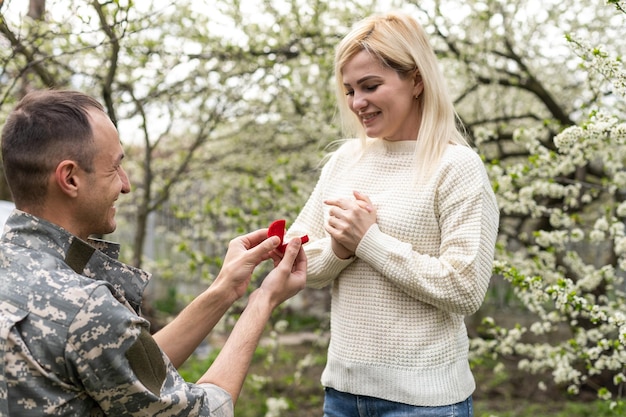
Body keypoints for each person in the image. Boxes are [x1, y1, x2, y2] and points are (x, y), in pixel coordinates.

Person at [0, 89, 307, 416]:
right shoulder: (83, 307)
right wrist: (263, 301)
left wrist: (225, 290)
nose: (126, 184)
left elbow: (121, 371)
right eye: (114, 167)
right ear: (70, 178)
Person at [285, 12, 500, 417]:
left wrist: (370, 241)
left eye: (370, 86)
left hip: (425, 402)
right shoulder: (344, 161)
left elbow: (466, 288)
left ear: (416, 80)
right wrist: (341, 249)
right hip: (342, 394)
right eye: (349, 89)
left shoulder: (456, 167)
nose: (357, 102)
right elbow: (303, 263)